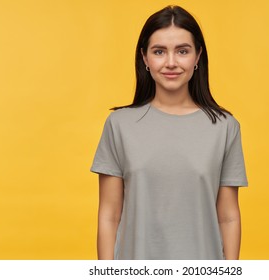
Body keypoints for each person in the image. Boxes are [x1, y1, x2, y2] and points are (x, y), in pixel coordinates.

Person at [90, 5, 248, 260]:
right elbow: (109, 215)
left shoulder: (225, 127)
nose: (171, 62)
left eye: (182, 51)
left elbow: (228, 217)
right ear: (144, 58)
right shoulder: (119, 125)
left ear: (197, 57)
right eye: (159, 51)